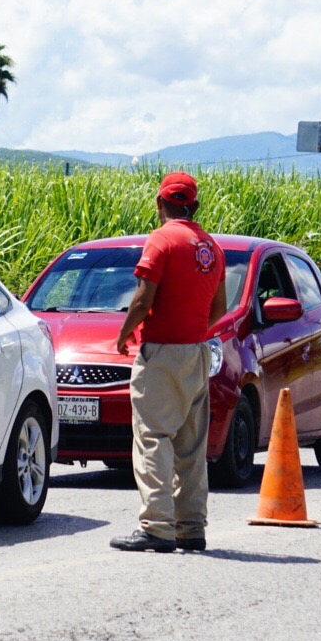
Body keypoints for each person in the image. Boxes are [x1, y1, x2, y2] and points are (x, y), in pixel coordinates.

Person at [110, 171, 227, 553]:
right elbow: (220, 309)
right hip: (196, 351)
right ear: (194, 206)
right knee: (191, 444)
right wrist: (192, 331)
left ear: (161, 205)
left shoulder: (161, 240)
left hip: (160, 350)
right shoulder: (212, 246)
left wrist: (125, 332)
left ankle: (157, 527)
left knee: (152, 437)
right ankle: (191, 526)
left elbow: (144, 299)